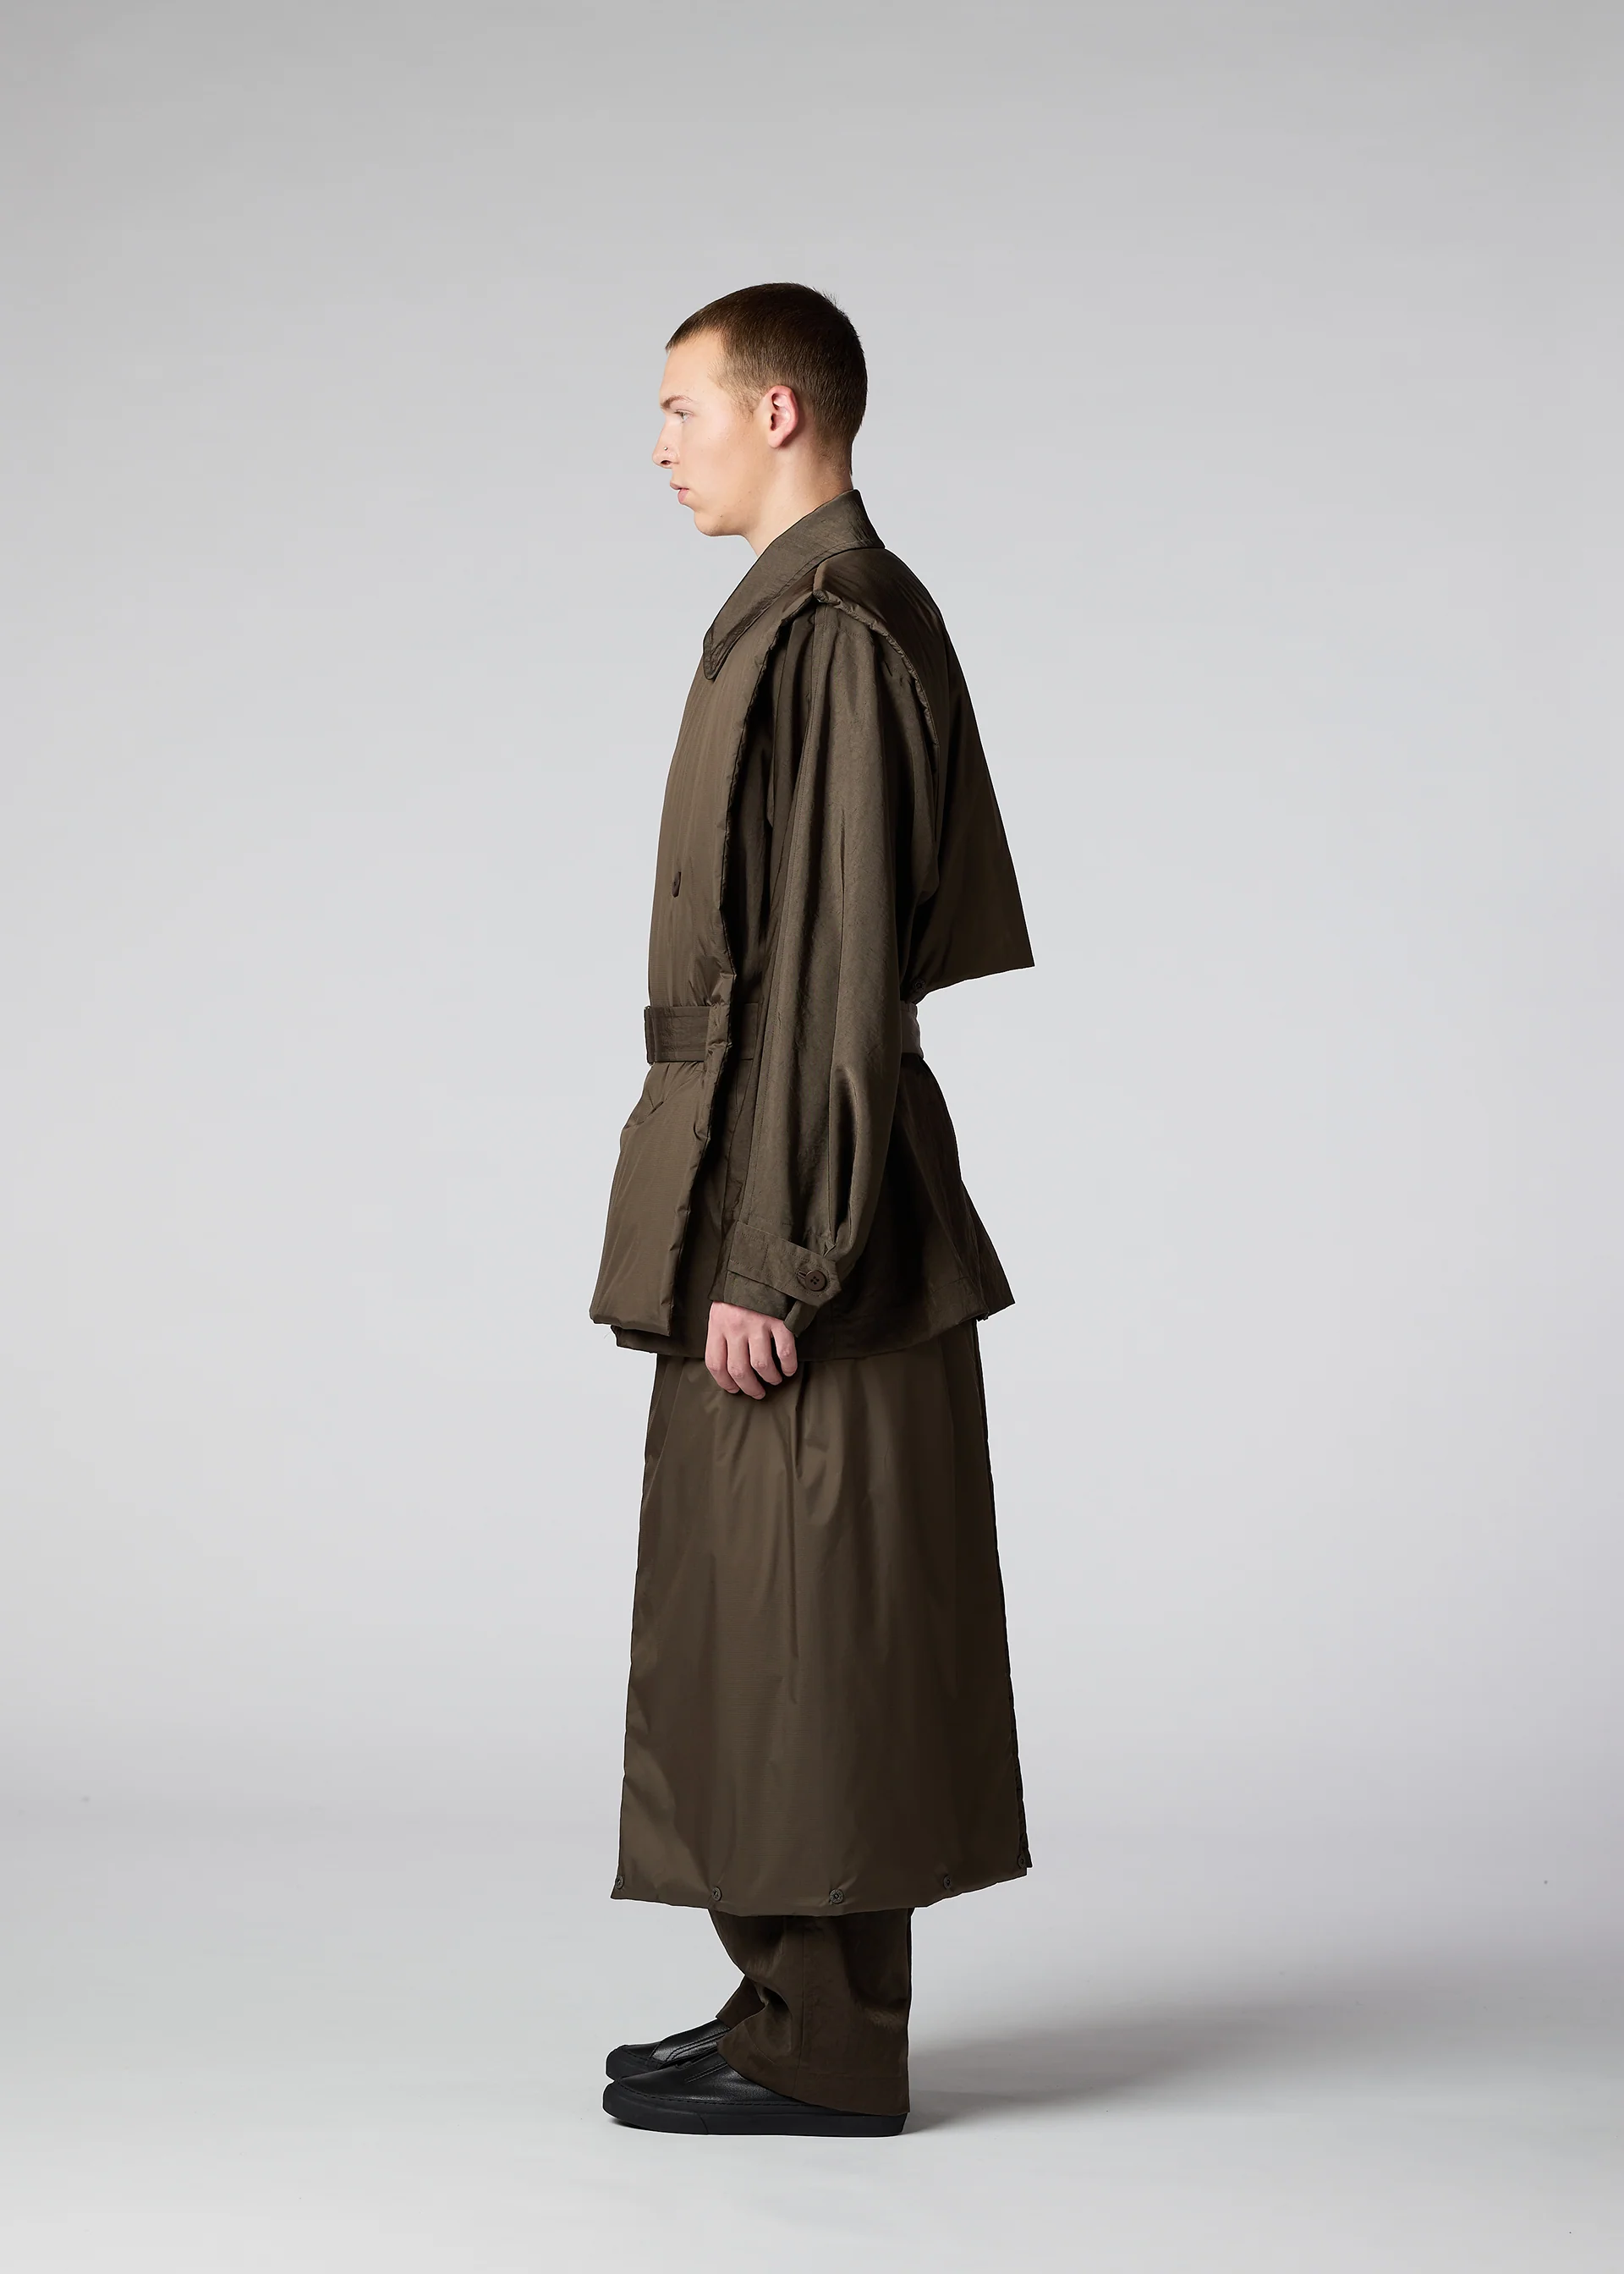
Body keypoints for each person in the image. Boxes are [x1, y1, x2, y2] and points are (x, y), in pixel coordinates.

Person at [591, 282, 1033, 2137]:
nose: (659, 446)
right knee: (762, 1608)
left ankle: (829, 2048)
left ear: (780, 411)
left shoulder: (839, 628)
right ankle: (782, 2000)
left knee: (817, 1610)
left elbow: (835, 975)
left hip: (802, 1203)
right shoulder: (793, 613)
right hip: (755, 1172)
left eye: (680, 408)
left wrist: (777, 1258)